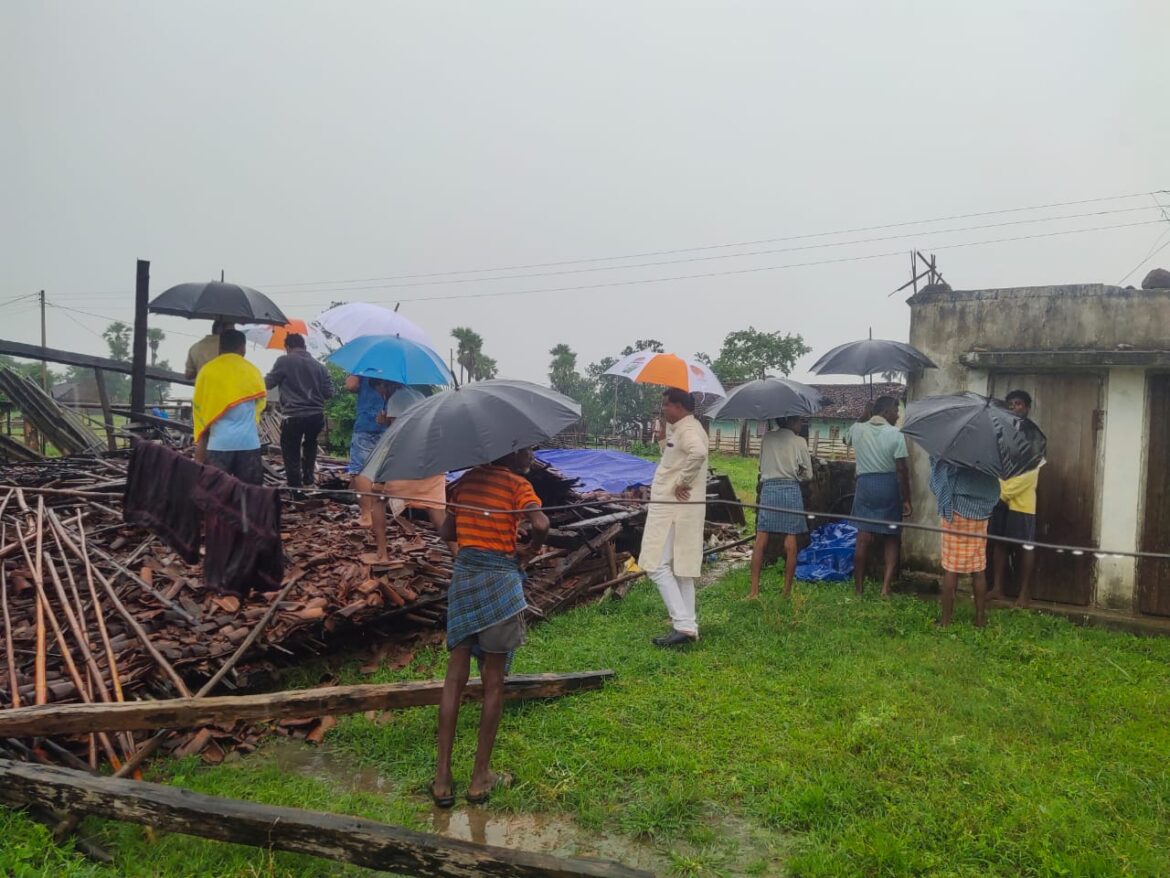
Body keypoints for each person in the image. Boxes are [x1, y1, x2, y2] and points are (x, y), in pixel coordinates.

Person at [430, 448, 549, 808]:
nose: (530, 455)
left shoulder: (464, 483)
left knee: (454, 679)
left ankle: (442, 778)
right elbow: (541, 524)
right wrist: (529, 550)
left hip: (465, 581)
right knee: (493, 684)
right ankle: (480, 778)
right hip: (499, 582)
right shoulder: (517, 485)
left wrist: (463, 515)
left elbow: (448, 530)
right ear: (511, 454)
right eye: (526, 449)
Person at [639, 388, 710, 647]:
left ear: (679, 406)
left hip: (673, 509)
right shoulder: (681, 428)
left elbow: (698, 453)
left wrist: (683, 481)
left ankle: (683, 624)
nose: (663, 409)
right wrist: (661, 439)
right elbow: (674, 457)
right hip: (677, 509)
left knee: (656, 565)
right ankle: (687, 625)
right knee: (681, 569)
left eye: (666, 405)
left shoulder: (689, 430)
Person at [365, 387, 457, 561]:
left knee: (378, 500)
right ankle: (457, 556)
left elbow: (396, 433)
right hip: (430, 463)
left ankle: (382, 553)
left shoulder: (395, 399)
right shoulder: (420, 397)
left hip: (403, 463)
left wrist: (383, 421)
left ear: (382, 384)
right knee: (437, 513)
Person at [844, 395, 911, 597]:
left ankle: (858, 589)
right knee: (891, 538)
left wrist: (864, 415)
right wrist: (906, 499)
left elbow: (845, 439)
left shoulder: (857, 429)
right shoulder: (896, 434)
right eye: (896, 410)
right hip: (888, 486)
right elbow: (902, 470)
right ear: (886, 411)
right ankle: (885, 588)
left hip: (865, 486)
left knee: (863, 538)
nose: (898, 415)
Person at [929, 457, 1001, 627]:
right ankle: (980, 619)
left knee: (951, 567)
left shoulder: (957, 445)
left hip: (956, 512)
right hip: (980, 514)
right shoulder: (989, 452)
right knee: (978, 568)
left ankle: (946, 621)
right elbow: (994, 485)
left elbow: (940, 474)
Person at [748, 415, 812, 599]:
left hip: (769, 490)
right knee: (790, 542)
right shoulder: (799, 441)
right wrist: (796, 473)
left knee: (761, 540)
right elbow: (808, 474)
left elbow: (761, 465)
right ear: (791, 422)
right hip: (791, 490)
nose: (801, 424)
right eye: (799, 420)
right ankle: (786, 592)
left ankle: (754, 591)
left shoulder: (767, 437)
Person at [987, 390, 1041, 607]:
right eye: (1010, 404)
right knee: (999, 544)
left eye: (1018, 404)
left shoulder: (1034, 437)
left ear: (1027, 408)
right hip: (999, 498)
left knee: (1024, 547)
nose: (1014, 408)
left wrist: (1004, 494)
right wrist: (998, 493)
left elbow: (1031, 473)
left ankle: (1024, 593)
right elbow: (994, 464)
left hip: (1022, 501)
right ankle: (998, 588)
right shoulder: (1001, 432)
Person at [192, 329, 266, 485]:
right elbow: (260, 403)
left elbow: (199, 408)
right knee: (250, 494)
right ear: (243, 347)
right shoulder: (252, 371)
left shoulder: (207, 371)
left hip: (219, 443)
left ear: (220, 347)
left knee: (217, 495)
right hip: (249, 443)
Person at [265, 333, 333, 490]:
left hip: (294, 415)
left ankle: (294, 486)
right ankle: (309, 481)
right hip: (316, 416)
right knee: (311, 444)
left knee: (290, 448)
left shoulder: (284, 361)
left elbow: (268, 383)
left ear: (287, 347)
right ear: (304, 346)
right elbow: (329, 392)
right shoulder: (319, 366)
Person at [345, 376, 395, 527]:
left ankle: (367, 516)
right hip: (390, 425)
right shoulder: (396, 364)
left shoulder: (365, 365)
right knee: (383, 471)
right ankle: (382, 513)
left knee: (361, 471)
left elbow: (351, 386)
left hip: (367, 424)